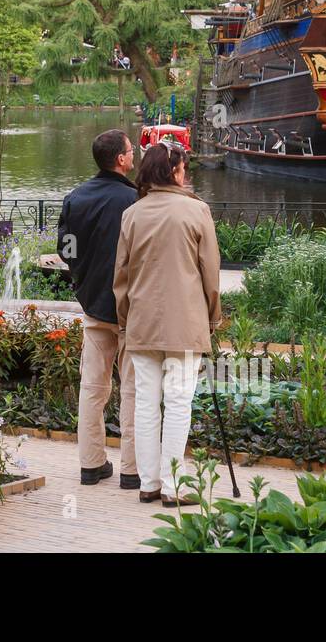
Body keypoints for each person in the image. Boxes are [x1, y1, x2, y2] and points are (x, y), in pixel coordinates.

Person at [113, 140, 222, 507]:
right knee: (177, 403)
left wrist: (125, 318)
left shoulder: (133, 214)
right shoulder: (197, 211)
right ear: (173, 170)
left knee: (146, 403)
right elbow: (211, 273)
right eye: (183, 167)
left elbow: (122, 277)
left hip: (143, 320)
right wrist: (213, 315)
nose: (186, 173)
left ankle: (149, 484)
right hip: (185, 322)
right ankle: (175, 487)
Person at [57, 129, 139, 487]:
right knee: (134, 389)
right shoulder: (135, 200)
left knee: (92, 388)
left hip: (93, 305)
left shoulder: (76, 199)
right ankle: (132, 471)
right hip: (130, 308)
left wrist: (84, 277)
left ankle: (91, 465)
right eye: (131, 150)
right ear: (120, 159)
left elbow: (67, 250)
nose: (134, 154)